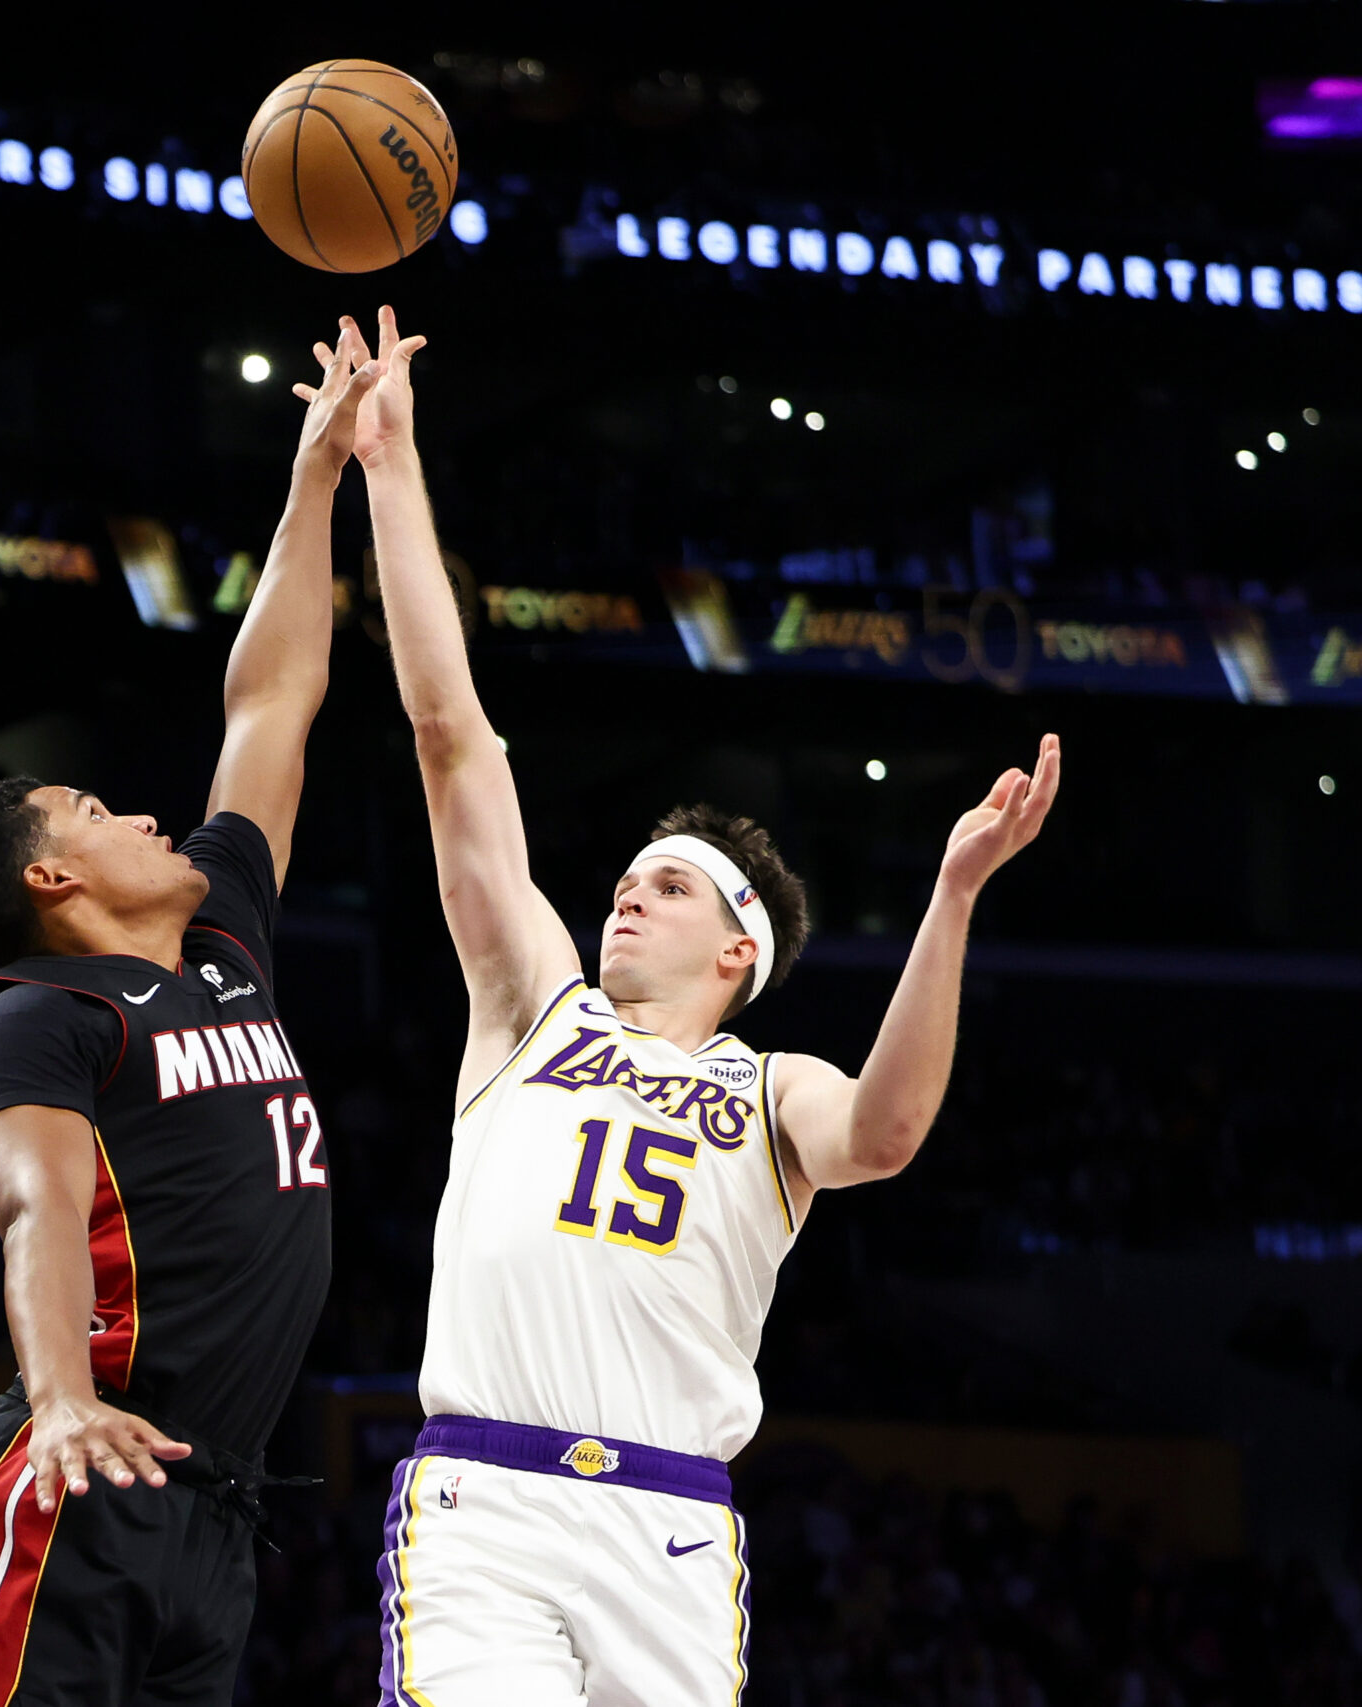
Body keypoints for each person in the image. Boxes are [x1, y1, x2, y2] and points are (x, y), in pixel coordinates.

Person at [348, 305, 1063, 1704]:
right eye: (621, 881)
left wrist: (956, 895)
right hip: (487, 1498)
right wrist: (390, 468)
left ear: (739, 946)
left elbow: (891, 1129)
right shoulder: (532, 1016)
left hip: (671, 1527)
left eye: (662, 889)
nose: (623, 896)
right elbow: (453, 741)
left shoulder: (771, 1085)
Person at [0, 318, 380, 1707]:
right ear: (52, 878)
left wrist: (316, 476)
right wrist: (54, 1399)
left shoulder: (223, 932)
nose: (149, 810)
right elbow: (39, 1214)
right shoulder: (37, 1014)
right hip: (78, 1465)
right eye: (100, 810)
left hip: (214, 1511)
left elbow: (274, 697)